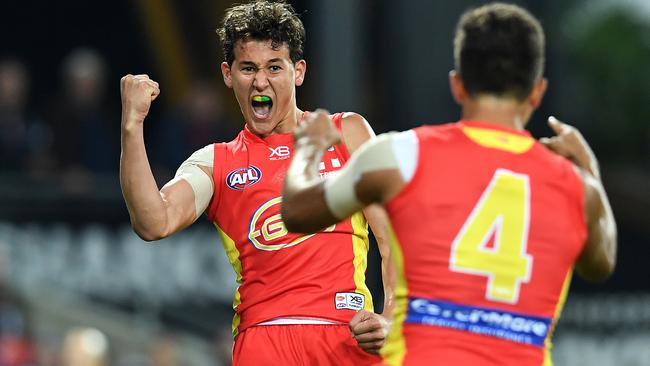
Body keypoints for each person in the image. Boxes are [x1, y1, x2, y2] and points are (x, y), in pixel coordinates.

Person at [281, 3, 617, 365]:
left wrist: (309, 148)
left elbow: (298, 211)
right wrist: (590, 170)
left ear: (457, 85)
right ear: (537, 92)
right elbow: (602, 263)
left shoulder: (402, 155)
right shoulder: (576, 186)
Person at [119, 1, 392, 364]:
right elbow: (153, 221)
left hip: (346, 336)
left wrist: (391, 318)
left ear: (298, 71)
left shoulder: (347, 133)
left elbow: (395, 240)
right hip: (264, 341)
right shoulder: (216, 162)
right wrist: (132, 126)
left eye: (273, 67)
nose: (260, 81)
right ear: (228, 74)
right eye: (248, 68)